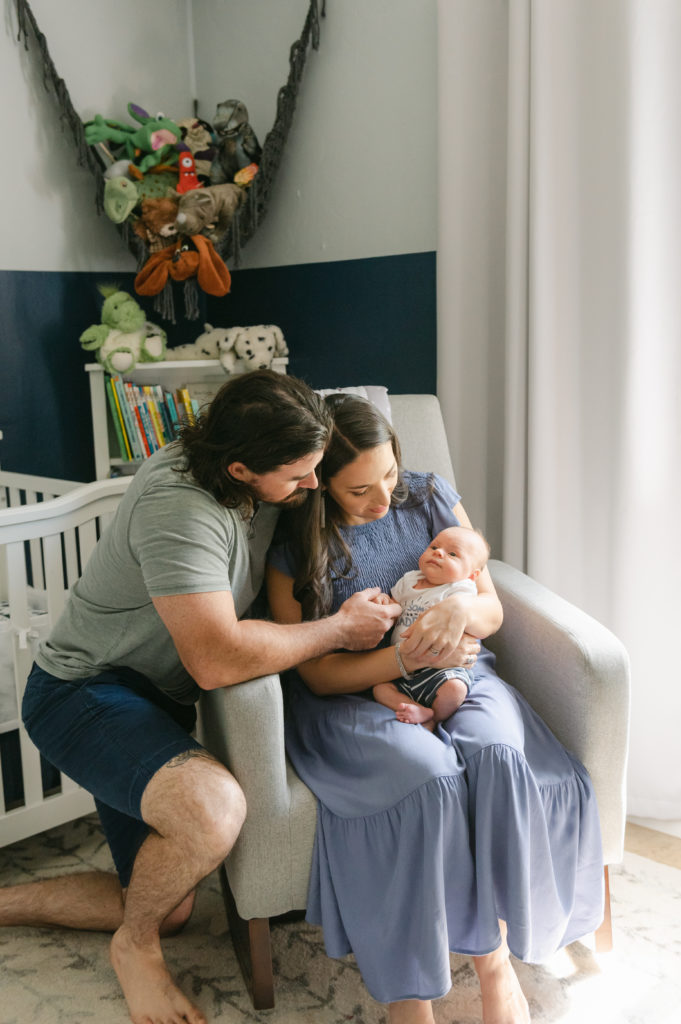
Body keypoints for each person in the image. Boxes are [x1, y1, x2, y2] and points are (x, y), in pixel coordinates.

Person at [0, 371, 400, 1024]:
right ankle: (135, 948)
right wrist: (338, 629)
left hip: (154, 699)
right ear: (241, 469)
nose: (310, 486)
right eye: (299, 476)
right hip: (83, 691)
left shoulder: (269, 452)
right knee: (213, 811)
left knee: (170, 899)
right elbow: (215, 659)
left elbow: (357, 422)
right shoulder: (180, 507)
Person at [267, 392, 604, 1024]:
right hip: (357, 696)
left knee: (499, 755)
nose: (384, 498)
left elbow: (491, 610)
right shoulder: (296, 547)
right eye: (360, 488)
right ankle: (409, 997)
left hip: (461, 672)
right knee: (428, 780)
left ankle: (494, 961)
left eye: (389, 473)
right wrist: (402, 664)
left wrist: (457, 610)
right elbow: (315, 675)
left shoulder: (428, 496)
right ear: (319, 485)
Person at [373, 524, 490, 726]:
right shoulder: (409, 580)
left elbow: (468, 617)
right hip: (400, 667)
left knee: (455, 688)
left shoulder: (460, 590)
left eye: (452, 554)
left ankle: (435, 717)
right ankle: (417, 709)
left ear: (472, 575)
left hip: (442, 668)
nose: (438, 554)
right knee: (379, 689)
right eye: (434, 547)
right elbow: (395, 606)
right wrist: (385, 603)